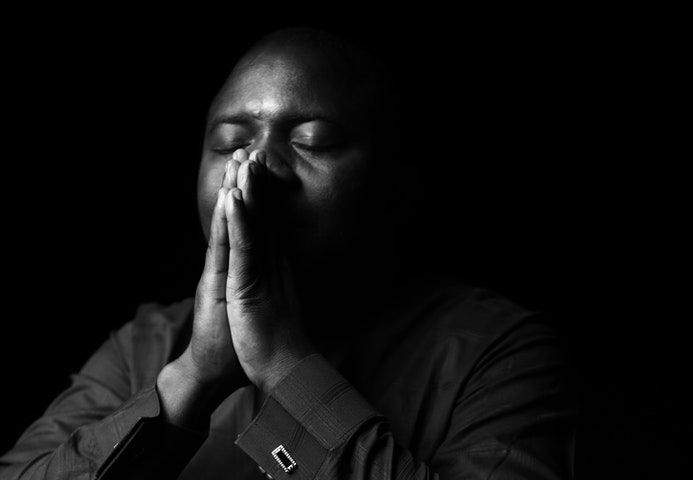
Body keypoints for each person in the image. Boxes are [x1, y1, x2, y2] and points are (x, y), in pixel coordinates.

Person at [0, 28, 575, 479]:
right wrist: (194, 378)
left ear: (397, 186)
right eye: (230, 142)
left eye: (311, 142)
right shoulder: (141, 348)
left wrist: (283, 366)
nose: (254, 166)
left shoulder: (494, 355)